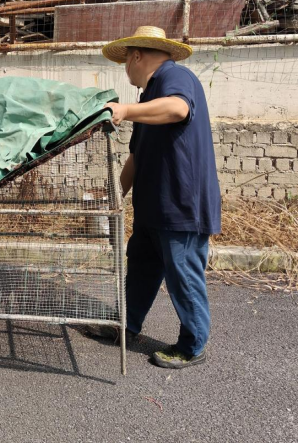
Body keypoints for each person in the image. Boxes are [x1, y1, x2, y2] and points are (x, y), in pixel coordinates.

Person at [93, 25, 221, 369]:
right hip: (153, 208)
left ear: (136, 56)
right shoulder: (148, 100)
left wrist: (124, 110)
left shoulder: (174, 76)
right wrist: (114, 197)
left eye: (126, 62)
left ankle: (192, 346)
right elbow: (136, 157)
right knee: (141, 267)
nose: (126, 70)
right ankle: (127, 325)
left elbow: (179, 109)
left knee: (183, 274)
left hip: (181, 206)